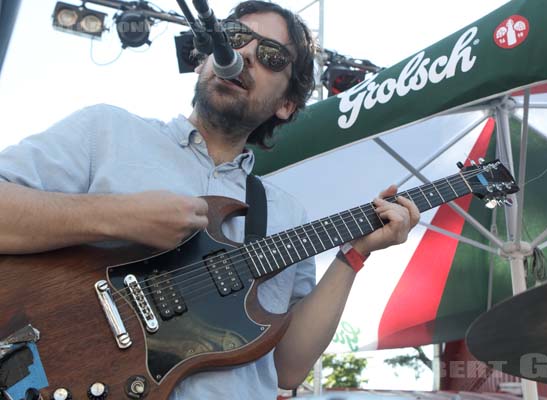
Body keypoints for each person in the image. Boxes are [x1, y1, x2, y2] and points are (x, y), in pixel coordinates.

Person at [0, 1, 420, 399]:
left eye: (272, 55)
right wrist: (118, 216)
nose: (245, 55)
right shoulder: (106, 131)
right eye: (235, 37)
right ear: (205, 58)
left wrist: (354, 256)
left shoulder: (289, 215)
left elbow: (289, 368)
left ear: (288, 104)